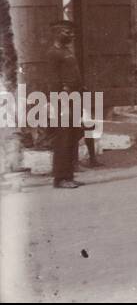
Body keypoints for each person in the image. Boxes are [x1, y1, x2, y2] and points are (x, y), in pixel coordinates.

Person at [48, 21, 84, 188]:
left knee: (72, 136)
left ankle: (68, 176)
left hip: (74, 97)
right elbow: (52, 80)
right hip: (62, 99)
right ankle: (60, 178)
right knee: (63, 138)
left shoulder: (66, 51)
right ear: (57, 33)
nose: (71, 35)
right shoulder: (53, 53)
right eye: (67, 32)